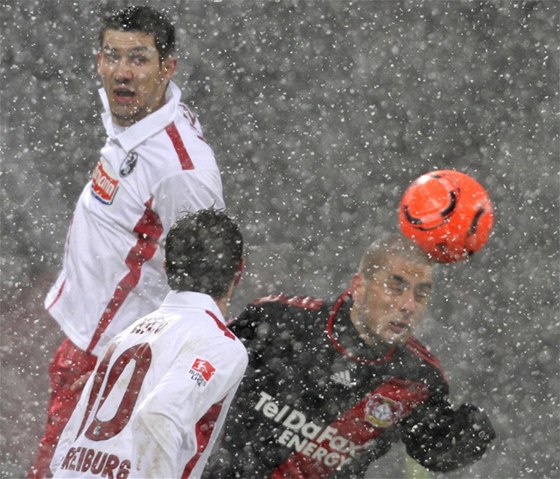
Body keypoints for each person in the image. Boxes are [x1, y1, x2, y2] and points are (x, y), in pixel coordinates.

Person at [29, 6, 225, 478]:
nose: (121, 72)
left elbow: (207, 276)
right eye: (111, 56)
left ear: (168, 68)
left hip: (116, 364)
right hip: (88, 343)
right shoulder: (133, 118)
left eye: (138, 59)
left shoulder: (183, 169)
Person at [204, 234, 495, 478]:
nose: (408, 304)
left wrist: (469, 437)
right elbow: (198, 371)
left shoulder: (418, 379)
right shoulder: (281, 320)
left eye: (421, 294)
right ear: (358, 286)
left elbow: (433, 450)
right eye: (395, 288)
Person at [49, 209, 248, 479]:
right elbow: (159, 415)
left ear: (166, 266)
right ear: (239, 269)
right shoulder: (219, 344)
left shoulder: (126, 335)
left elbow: (65, 447)